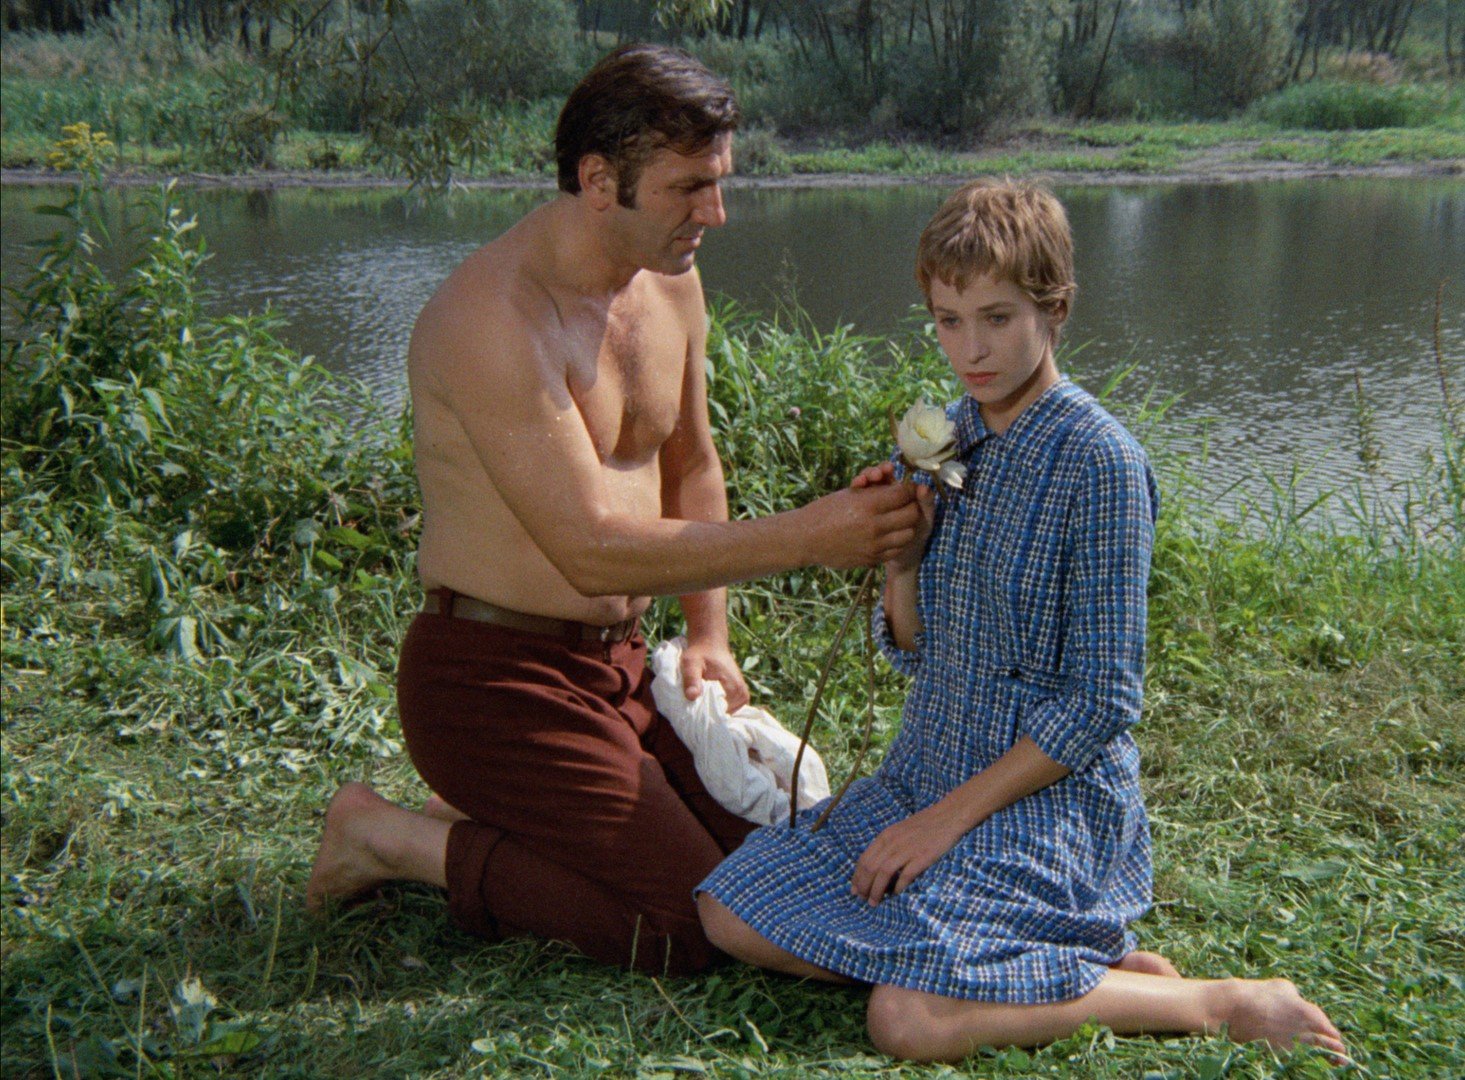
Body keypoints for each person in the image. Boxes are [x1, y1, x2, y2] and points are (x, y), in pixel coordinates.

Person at [304, 44, 921, 976]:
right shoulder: (492, 319)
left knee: (769, 878)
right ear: (599, 181)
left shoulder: (669, 281)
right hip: (490, 684)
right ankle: (386, 839)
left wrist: (708, 636)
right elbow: (588, 550)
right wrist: (806, 538)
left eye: (719, 181)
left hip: (621, 668)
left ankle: (510, 810)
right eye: (688, 188)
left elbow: (691, 461)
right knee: (686, 927)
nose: (715, 212)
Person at [696, 179, 1347, 1062]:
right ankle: (1058, 973)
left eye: (997, 318)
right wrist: (900, 560)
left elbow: (1100, 701)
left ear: (1055, 309)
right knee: (728, 910)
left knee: (906, 1021)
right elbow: (916, 651)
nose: (970, 349)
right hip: (928, 768)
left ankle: (1213, 1002)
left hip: (1044, 801)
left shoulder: (1100, 462)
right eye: (948, 320)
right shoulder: (943, 439)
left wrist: (943, 824)